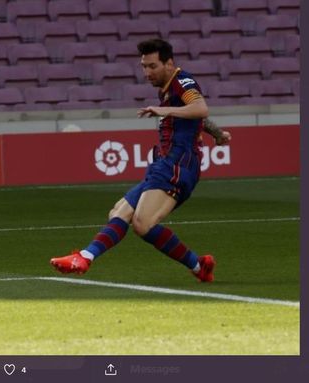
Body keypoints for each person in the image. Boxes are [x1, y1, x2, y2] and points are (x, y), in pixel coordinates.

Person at [50, 39, 231, 282]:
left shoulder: (182, 81)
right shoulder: (167, 88)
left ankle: (86, 258)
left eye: (152, 66)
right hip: (164, 162)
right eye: (143, 66)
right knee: (118, 212)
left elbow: (200, 108)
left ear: (169, 63)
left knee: (142, 223)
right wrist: (218, 134)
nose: (147, 72)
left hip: (179, 164)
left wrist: (164, 110)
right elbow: (196, 118)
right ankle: (84, 257)